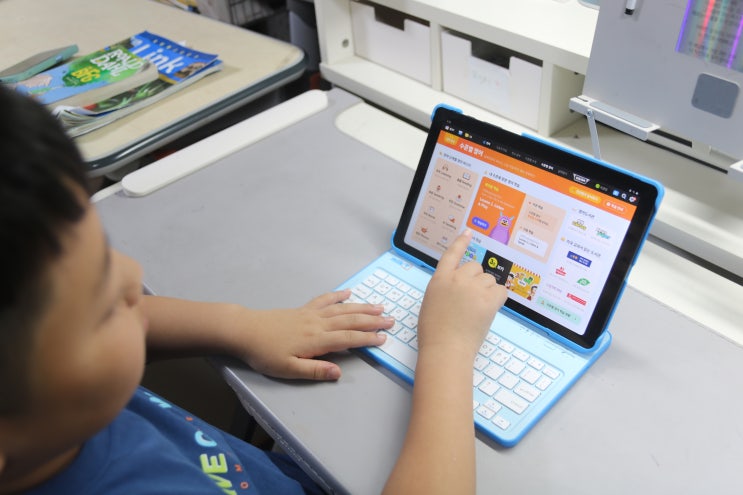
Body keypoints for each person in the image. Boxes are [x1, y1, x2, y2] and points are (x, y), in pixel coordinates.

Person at [0, 85, 507, 494]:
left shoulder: (49, 417)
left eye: (108, 254)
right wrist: (447, 350)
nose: (133, 277)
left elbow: (122, 326)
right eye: (104, 304)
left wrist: (239, 326)